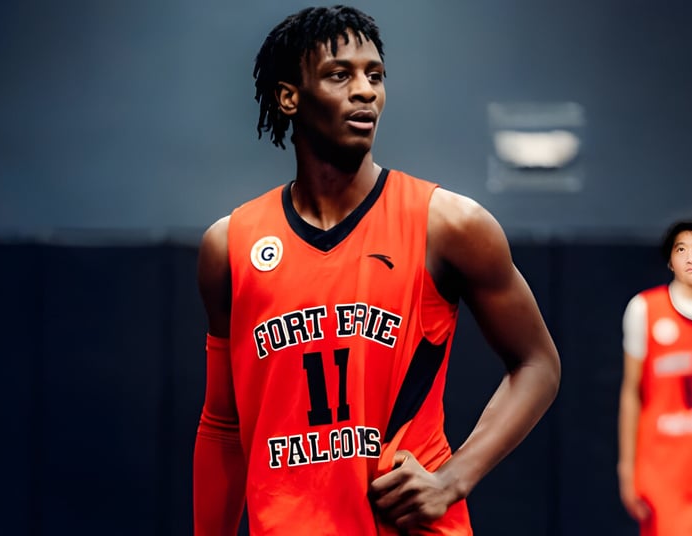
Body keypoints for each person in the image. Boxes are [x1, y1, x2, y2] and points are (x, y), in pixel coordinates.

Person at [193, 5, 560, 535]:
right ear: (289, 96)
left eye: (375, 75)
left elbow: (538, 365)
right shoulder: (230, 244)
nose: (365, 91)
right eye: (340, 75)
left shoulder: (449, 225)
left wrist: (453, 479)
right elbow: (223, 426)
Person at [618, 218, 692, 536]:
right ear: (670, 262)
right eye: (681, 249)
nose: (691, 256)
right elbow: (632, 392)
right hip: (666, 467)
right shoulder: (644, 309)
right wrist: (627, 468)